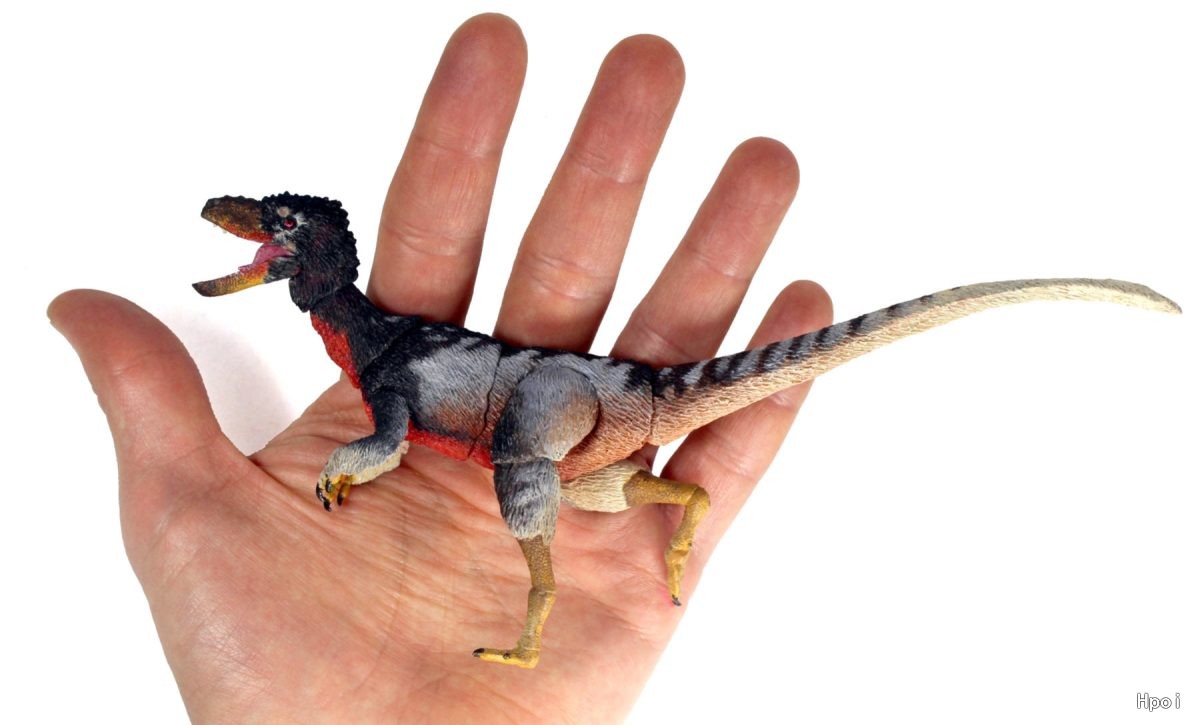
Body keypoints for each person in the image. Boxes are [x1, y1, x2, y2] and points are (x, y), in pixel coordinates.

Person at [48, 14, 830, 722]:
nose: (259, 235)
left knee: (525, 460)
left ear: (311, 251)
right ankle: (682, 510)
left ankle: (537, 615)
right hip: (581, 415)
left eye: (280, 228)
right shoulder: (384, 350)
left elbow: (386, 443)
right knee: (586, 485)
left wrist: (345, 462)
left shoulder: (391, 364)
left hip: (562, 395)